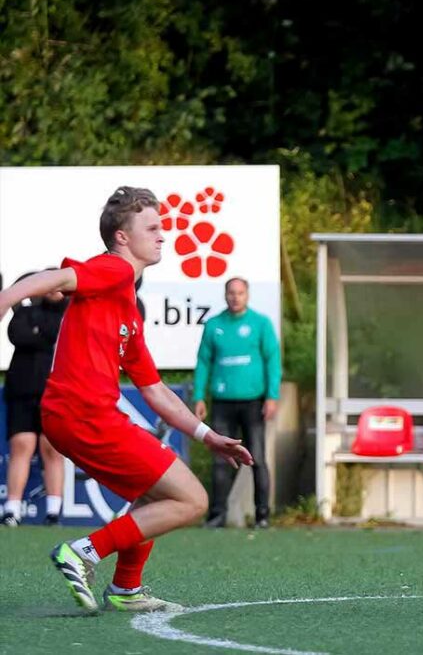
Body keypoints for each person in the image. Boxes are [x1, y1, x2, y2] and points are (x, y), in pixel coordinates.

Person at [0, 186, 252, 613]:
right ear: (121, 235)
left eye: (163, 228)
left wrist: (206, 434)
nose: (162, 236)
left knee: (159, 495)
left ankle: (126, 588)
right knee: (193, 500)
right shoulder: (114, 269)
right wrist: (5, 299)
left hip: (79, 416)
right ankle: (83, 551)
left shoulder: (128, 309)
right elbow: (59, 279)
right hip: (82, 413)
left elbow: (153, 389)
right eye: (152, 228)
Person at [194, 277, 281, 529]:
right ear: (225, 295)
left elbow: (272, 361)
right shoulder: (214, 325)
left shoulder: (261, 324)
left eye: (240, 293)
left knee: (257, 458)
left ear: (247, 295)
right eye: (231, 293)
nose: (235, 297)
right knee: (220, 459)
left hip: (253, 402)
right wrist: (200, 395)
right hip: (222, 401)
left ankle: (262, 514)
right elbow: (203, 362)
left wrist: (272, 396)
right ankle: (217, 515)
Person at [2, 277, 68, 526]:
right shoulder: (26, 311)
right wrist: (40, 334)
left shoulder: (71, 314)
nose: (54, 290)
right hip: (23, 388)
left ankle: (53, 512)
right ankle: (12, 510)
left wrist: (39, 332)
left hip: (56, 392)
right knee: (22, 444)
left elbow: (55, 336)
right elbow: (17, 335)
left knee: (52, 449)